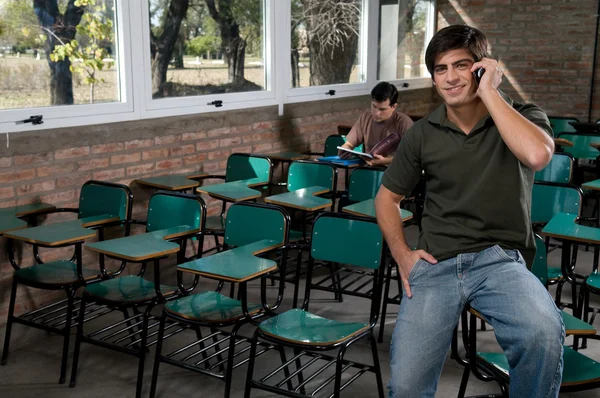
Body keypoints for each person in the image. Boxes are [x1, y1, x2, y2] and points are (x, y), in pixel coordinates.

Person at [374, 24, 564, 397]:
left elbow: (538, 155)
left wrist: (490, 93)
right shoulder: (423, 133)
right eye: (440, 69)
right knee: (408, 384)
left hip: (500, 259)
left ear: (483, 67)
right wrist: (402, 254)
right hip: (435, 263)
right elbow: (387, 198)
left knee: (542, 333)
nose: (450, 78)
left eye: (461, 66)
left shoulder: (523, 115)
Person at [338, 82, 413, 167]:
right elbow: (349, 144)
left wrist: (385, 161)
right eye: (374, 106)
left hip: (395, 173)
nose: (376, 113)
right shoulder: (365, 118)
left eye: (382, 109)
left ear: (393, 107)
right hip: (369, 170)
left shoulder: (403, 122)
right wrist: (345, 149)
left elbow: (412, 156)